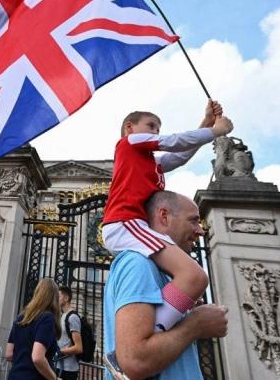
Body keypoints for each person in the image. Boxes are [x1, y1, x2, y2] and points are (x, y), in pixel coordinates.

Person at [102, 101, 232, 334]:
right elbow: (172, 142)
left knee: (183, 277)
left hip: (135, 225)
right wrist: (216, 131)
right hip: (125, 223)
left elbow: (180, 156)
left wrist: (206, 123)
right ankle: (144, 338)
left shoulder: (151, 162)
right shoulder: (129, 143)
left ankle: (163, 320)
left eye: (158, 128)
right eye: (151, 125)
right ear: (129, 128)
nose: (155, 132)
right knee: (193, 275)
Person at [103, 190, 229, 379]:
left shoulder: (159, 271)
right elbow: (135, 360)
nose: (200, 230)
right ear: (164, 216)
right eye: (193, 220)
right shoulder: (138, 263)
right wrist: (196, 324)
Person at [5, 278, 61, 380]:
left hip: (14, 375)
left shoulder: (22, 317)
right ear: (54, 297)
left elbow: (9, 354)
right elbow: (37, 357)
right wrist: (54, 378)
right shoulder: (47, 318)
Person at [57, 286, 82, 380]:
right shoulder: (62, 315)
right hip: (58, 365)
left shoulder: (73, 317)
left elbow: (79, 348)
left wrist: (59, 351)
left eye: (58, 296)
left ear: (66, 298)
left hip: (68, 370)